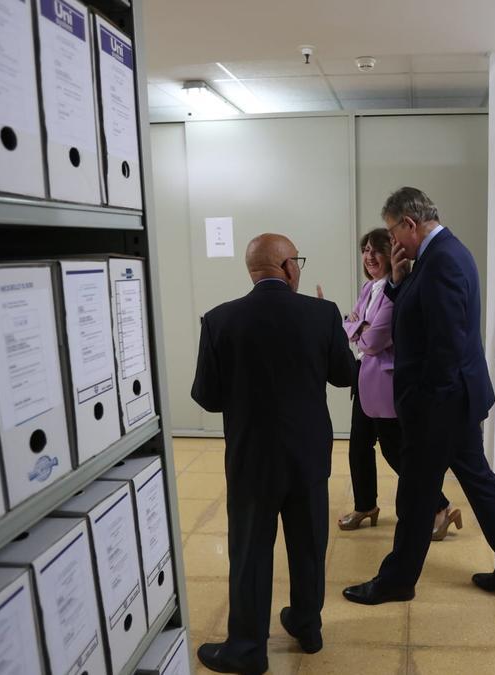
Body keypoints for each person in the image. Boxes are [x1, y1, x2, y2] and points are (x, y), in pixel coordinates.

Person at [343, 187, 495, 606]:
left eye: (394, 232)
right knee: (478, 482)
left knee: (415, 493)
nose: (392, 241)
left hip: (441, 405)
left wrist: (425, 412)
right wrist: (395, 282)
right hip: (455, 401)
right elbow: (418, 312)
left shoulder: (443, 261)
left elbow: (445, 347)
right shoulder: (437, 256)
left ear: (410, 224)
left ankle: (397, 581)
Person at [192, 234, 355, 674]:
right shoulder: (322, 314)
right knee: (308, 544)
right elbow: (344, 376)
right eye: (296, 261)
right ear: (286, 267)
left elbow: (207, 397)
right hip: (307, 457)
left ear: (253, 270)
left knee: (250, 550)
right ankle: (307, 626)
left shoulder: (220, 320)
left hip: (252, 460)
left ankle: (246, 649)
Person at [338, 228, 460, 540]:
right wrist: (357, 325)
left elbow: (374, 341)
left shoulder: (397, 291)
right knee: (358, 447)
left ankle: (440, 506)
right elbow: (353, 323)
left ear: (390, 254)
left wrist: (356, 327)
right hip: (365, 380)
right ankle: (366, 506)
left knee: (396, 452)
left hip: (387, 384)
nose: (368, 256)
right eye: (364, 250)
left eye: (375, 249)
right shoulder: (369, 289)